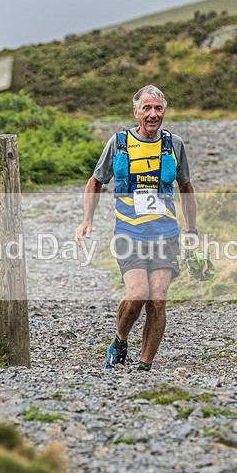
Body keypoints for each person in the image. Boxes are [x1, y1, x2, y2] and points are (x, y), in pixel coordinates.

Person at [74, 84, 198, 371]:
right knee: (138, 294)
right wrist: (87, 220)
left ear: (164, 111)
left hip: (165, 235)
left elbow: (186, 188)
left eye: (158, 109)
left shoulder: (174, 144)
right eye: (147, 108)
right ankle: (119, 341)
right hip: (129, 234)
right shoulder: (118, 143)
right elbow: (95, 182)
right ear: (136, 112)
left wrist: (192, 231)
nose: (153, 114)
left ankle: (144, 366)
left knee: (157, 301)